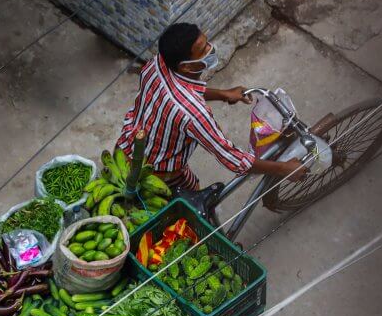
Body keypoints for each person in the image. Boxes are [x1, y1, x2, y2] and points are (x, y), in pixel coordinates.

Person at [116, 22, 307, 191]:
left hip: (128, 144)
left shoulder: (156, 64)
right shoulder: (194, 114)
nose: (211, 49)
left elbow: (181, 92)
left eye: (207, 42)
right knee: (193, 204)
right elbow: (232, 158)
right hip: (160, 170)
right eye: (204, 50)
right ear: (186, 67)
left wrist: (224, 94)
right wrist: (284, 169)